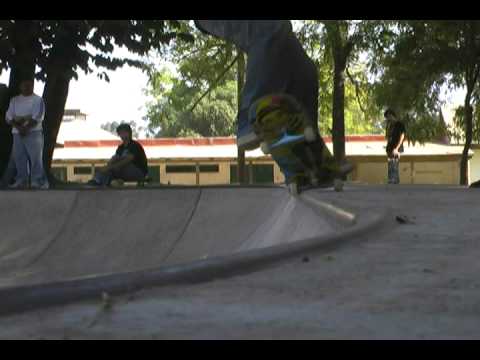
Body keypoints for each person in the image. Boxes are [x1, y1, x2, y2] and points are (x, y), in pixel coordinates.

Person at [5, 78, 49, 189]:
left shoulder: (38, 100)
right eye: (25, 85)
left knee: (35, 158)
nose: (27, 87)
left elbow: (37, 117)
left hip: (34, 133)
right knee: (19, 157)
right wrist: (19, 127)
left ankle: (37, 180)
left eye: (29, 85)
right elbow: (9, 116)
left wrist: (25, 127)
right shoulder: (14, 100)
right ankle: (22, 180)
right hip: (17, 133)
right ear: (20, 86)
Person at [385, 109, 406, 184]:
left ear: (392, 115)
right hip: (389, 148)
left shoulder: (400, 124)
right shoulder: (389, 125)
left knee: (395, 167)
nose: (388, 119)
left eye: (388, 117)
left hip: (397, 149)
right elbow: (387, 137)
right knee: (390, 168)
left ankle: (396, 184)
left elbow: (402, 137)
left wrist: (396, 149)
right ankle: (390, 183)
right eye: (387, 118)